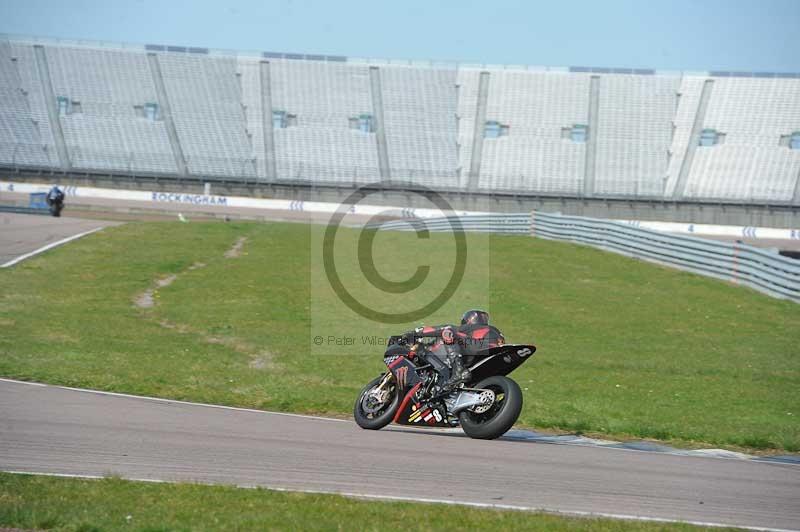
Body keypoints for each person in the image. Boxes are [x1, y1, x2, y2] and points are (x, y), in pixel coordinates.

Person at [402, 309, 505, 392]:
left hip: (480, 348)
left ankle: (458, 370)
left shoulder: (469, 328)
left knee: (448, 332)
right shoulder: (493, 330)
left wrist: (416, 333)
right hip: (493, 356)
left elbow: (446, 329)